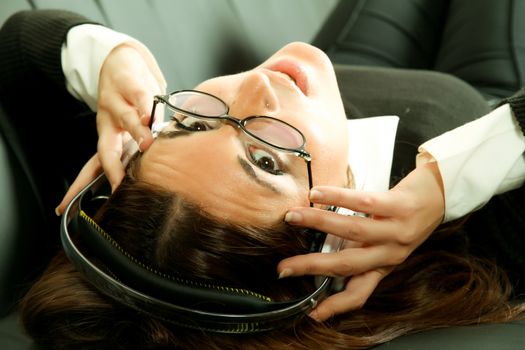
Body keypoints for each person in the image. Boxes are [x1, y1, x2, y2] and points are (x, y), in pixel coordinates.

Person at [0, 2, 523, 349]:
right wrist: (458, 175)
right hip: (483, 94)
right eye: (267, 161)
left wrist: (116, 61)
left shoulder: (152, 203)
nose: (255, 86)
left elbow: (20, 42)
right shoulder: (479, 234)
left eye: (195, 122)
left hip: (342, 74)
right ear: (331, 250)